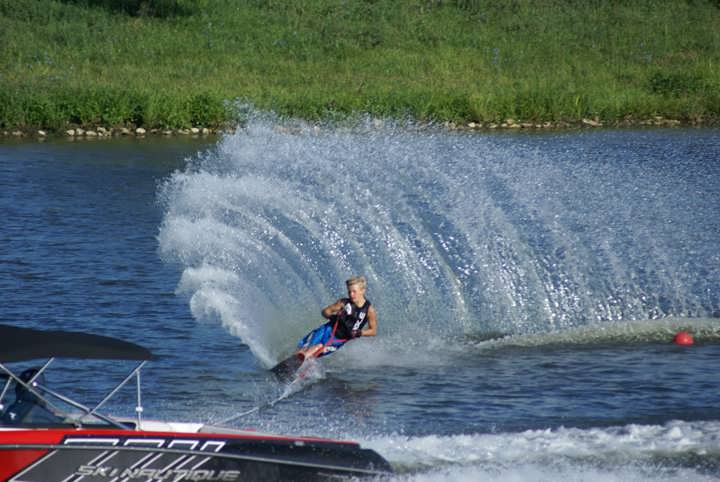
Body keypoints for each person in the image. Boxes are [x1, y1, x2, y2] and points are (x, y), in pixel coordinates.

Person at [296, 276, 377, 360]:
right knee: (304, 346)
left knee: (318, 349)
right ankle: (295, 359)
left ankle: (303, 359)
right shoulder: (343, 303)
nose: (351, 295)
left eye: (354, 291)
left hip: (338, 340)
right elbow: (325, 311)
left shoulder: (369, 310)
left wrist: (359, 333)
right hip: (327, 330)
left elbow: (373, 331)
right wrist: (333, 317)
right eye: (349, 292)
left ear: (362, 291)